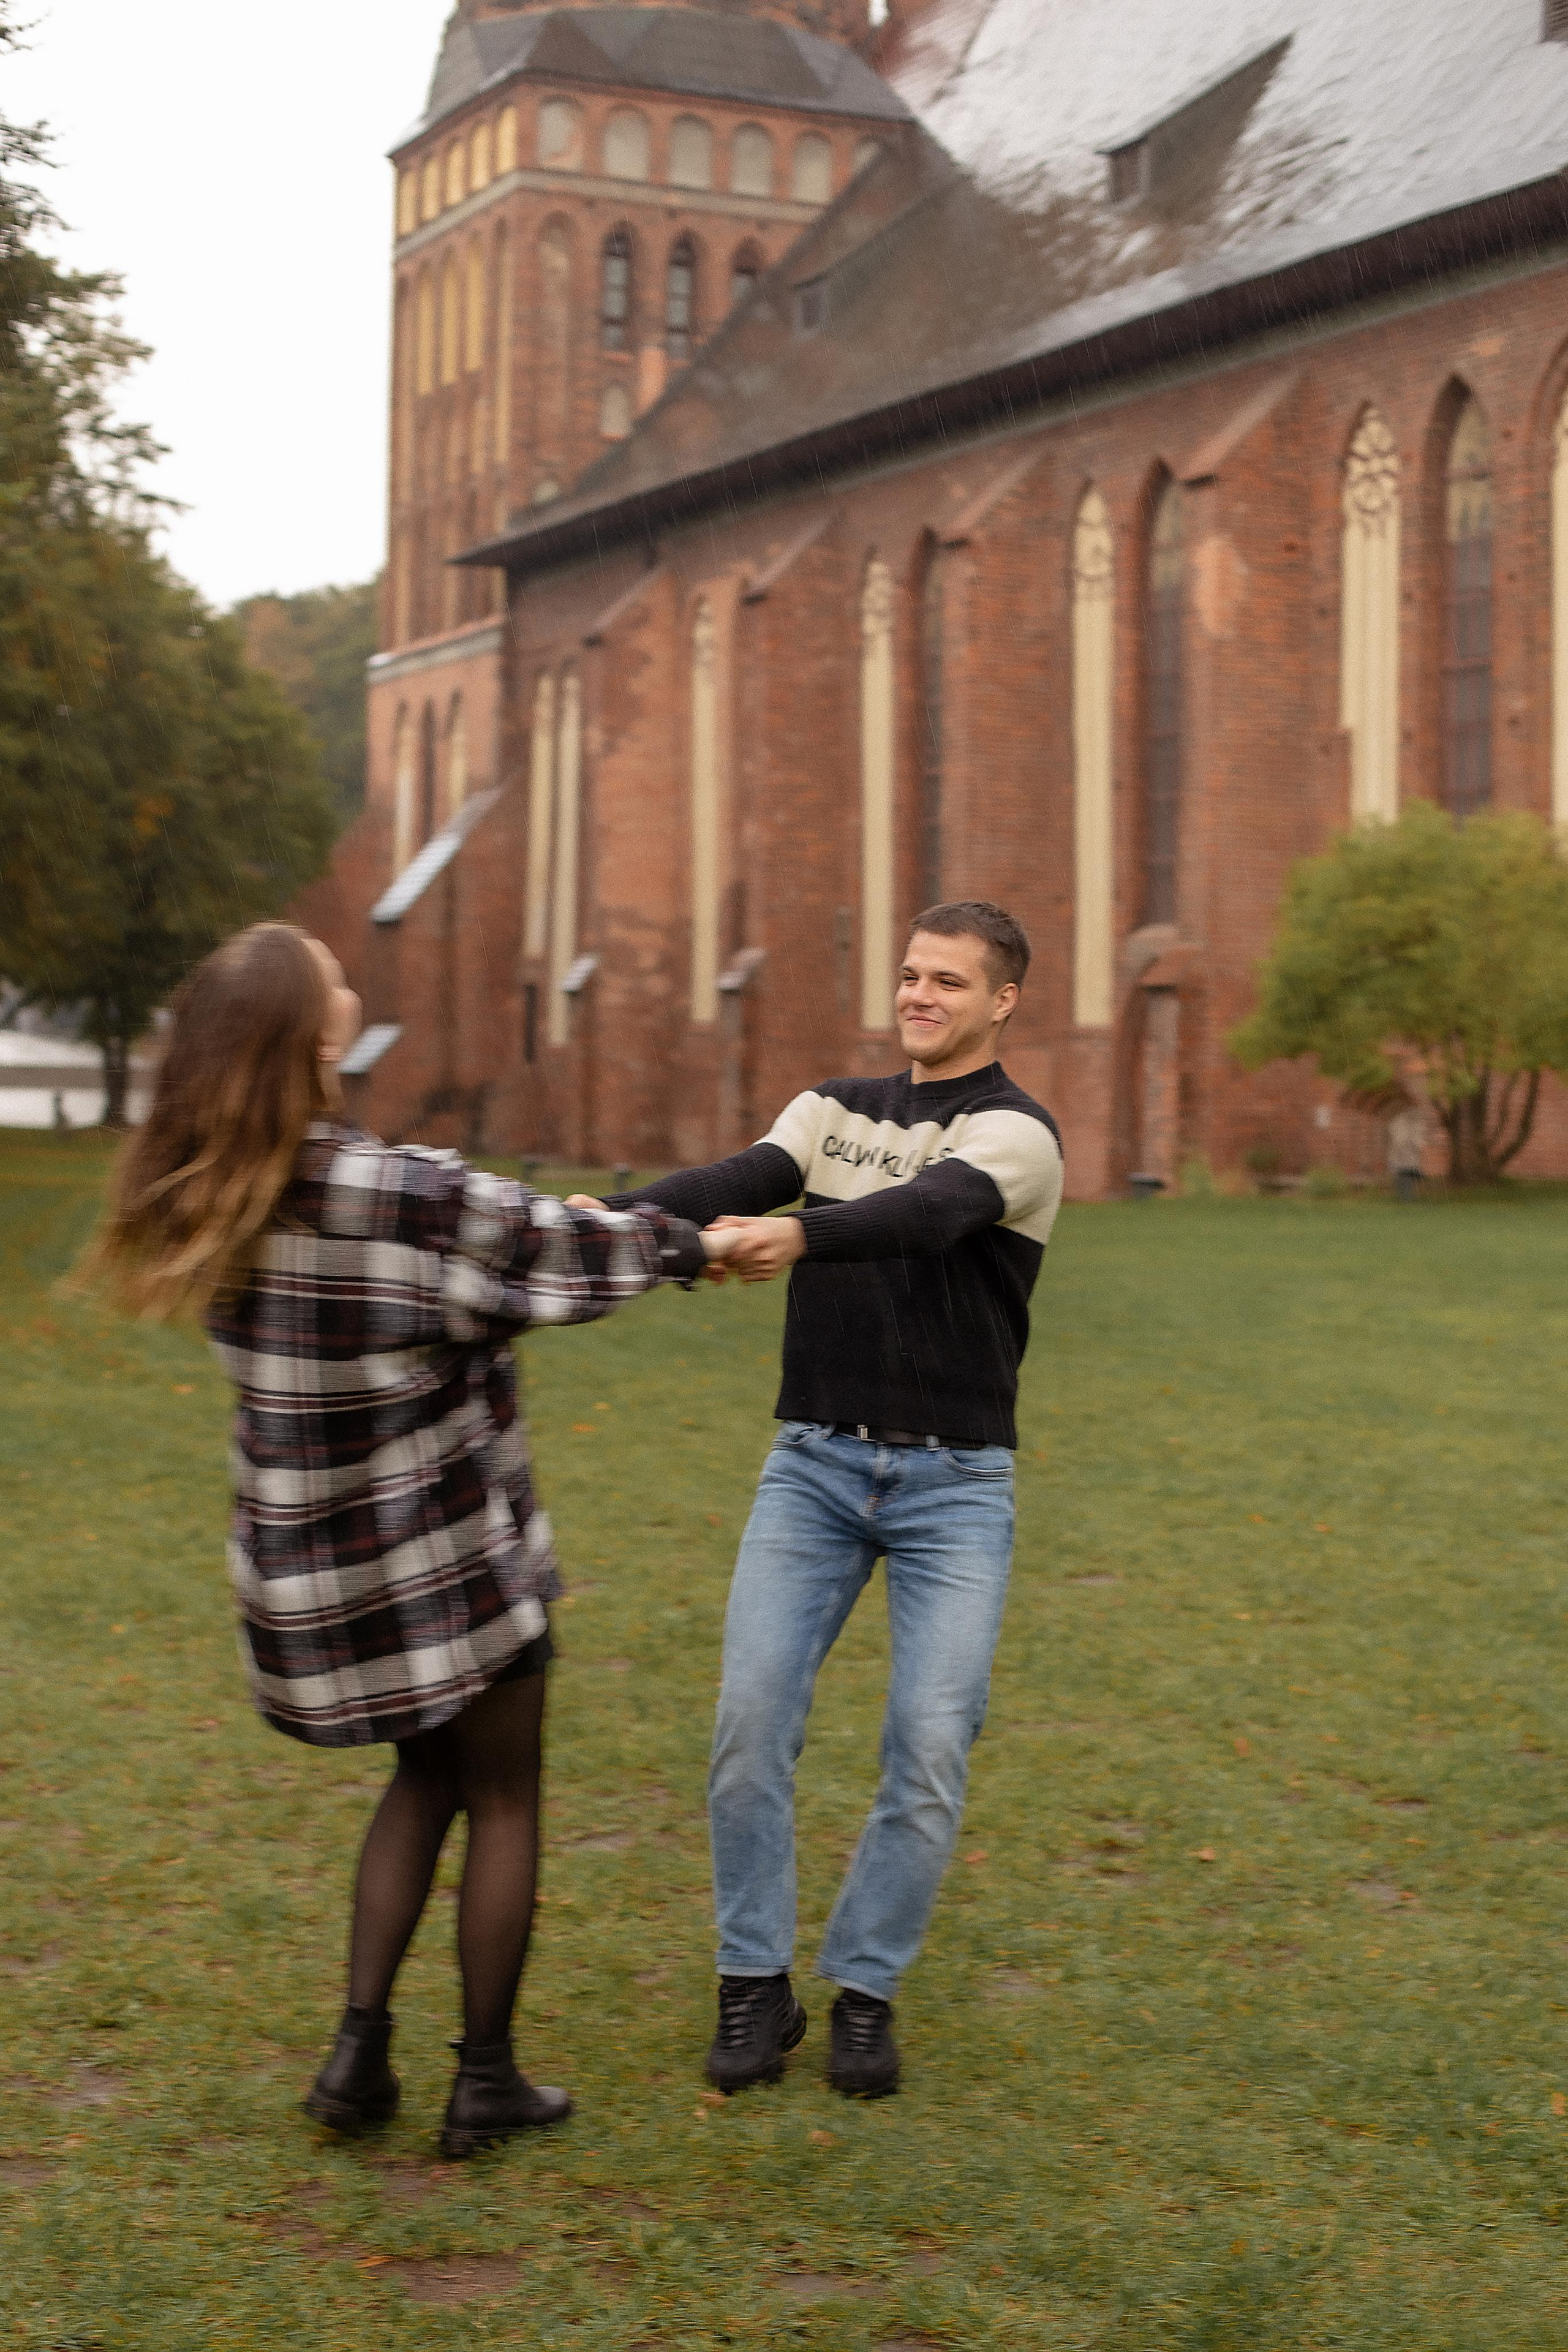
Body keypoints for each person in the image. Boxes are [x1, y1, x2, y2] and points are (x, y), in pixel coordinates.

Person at [85, 922, 736, 2157]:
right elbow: (560, 1252)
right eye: (336, 977)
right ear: (312, 1033)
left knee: (421, 1779)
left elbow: (507, 1254)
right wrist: (694, 1244)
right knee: (499, 1795)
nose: (354, 982)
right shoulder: (402, 1195)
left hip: (322, 1579)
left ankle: (356, 2056)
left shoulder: (222, 1200)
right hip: (445, 1569)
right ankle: (482, 2080)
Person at [582, 900, 1063, 2098]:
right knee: (749, 1724)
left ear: (1002, 999)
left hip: (954, 1487)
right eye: (910, 975)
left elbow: (925, 1216)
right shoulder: (831, 1107)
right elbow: (737, 1175)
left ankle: (864, 1992)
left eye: (947, 982)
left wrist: (796, 1241)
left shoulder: (1018, 1135)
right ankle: (752, 1989)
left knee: (930, 1744)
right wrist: (623, 1215)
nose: (919, 997)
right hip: (812, 1468)